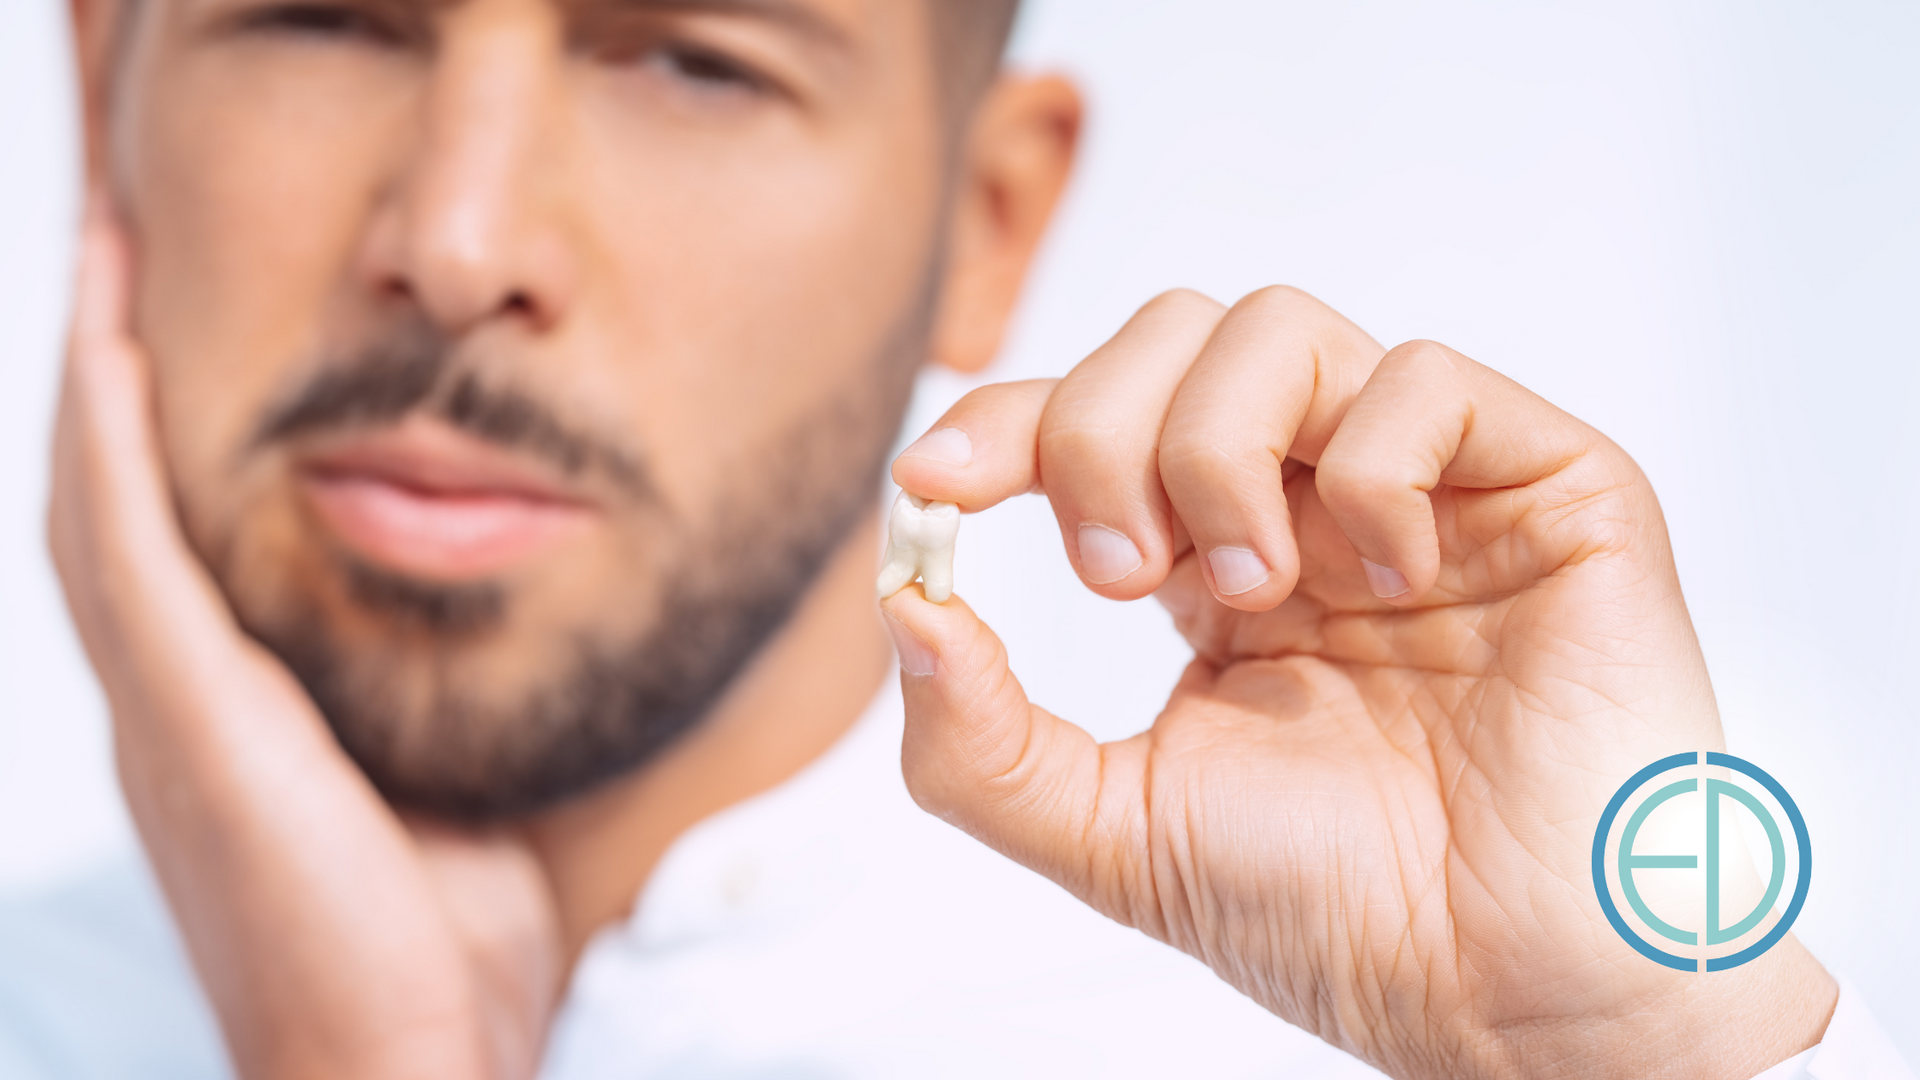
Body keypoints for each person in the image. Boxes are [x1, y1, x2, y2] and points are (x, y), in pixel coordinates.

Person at [3, 0, 1909, 1077]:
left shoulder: (1376, 1021)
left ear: (989, 223)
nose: (463, 236)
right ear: (105, 95)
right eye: (321, 14)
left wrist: (1637, 1049)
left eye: (693, 59)